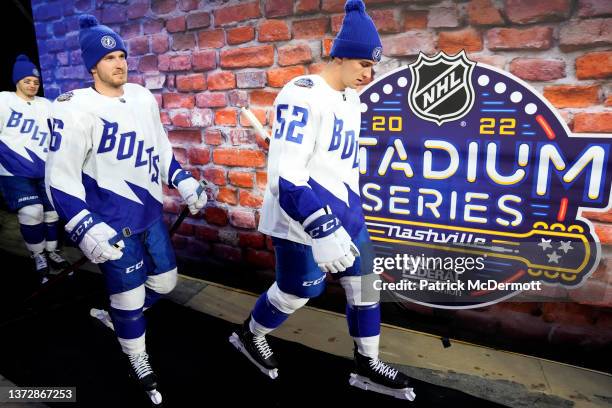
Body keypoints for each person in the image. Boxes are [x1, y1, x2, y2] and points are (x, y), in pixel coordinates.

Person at [229, 0, 415, 401]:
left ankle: (367, 362)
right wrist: (321, 226)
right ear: (341, 54)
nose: (369, 73)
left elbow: (335, 163)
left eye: (373, 66)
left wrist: (347, 215)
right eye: (364, 64)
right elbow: (288, 176)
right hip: (301, 217)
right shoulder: (302, 94)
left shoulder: (353, 99)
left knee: (366, 287)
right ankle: (250, 333)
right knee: (299, 291)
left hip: (345, 211)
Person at [45, 15, 207, 405]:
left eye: (121, 55)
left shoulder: (141, 96)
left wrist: (182, 179)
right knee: (131, 298)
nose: (119, 63)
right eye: (109, 58)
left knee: (166, 283)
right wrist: (84, 227)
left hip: (150, 216)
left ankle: (119, 317)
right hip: (112, 224)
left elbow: (161, 147)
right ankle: (137, 355)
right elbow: (58, 179)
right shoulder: (72, 108)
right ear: (92, 66)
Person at [0, 54, 70, 283]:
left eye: (35, 81)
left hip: (45, 171)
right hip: (14, 171)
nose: (32, 85)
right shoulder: (4, 100)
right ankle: (38, 255)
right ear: (16, 80)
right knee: (32, 212)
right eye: (27, 80)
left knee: (52, 214)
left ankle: (51, 252)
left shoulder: (46, 105)